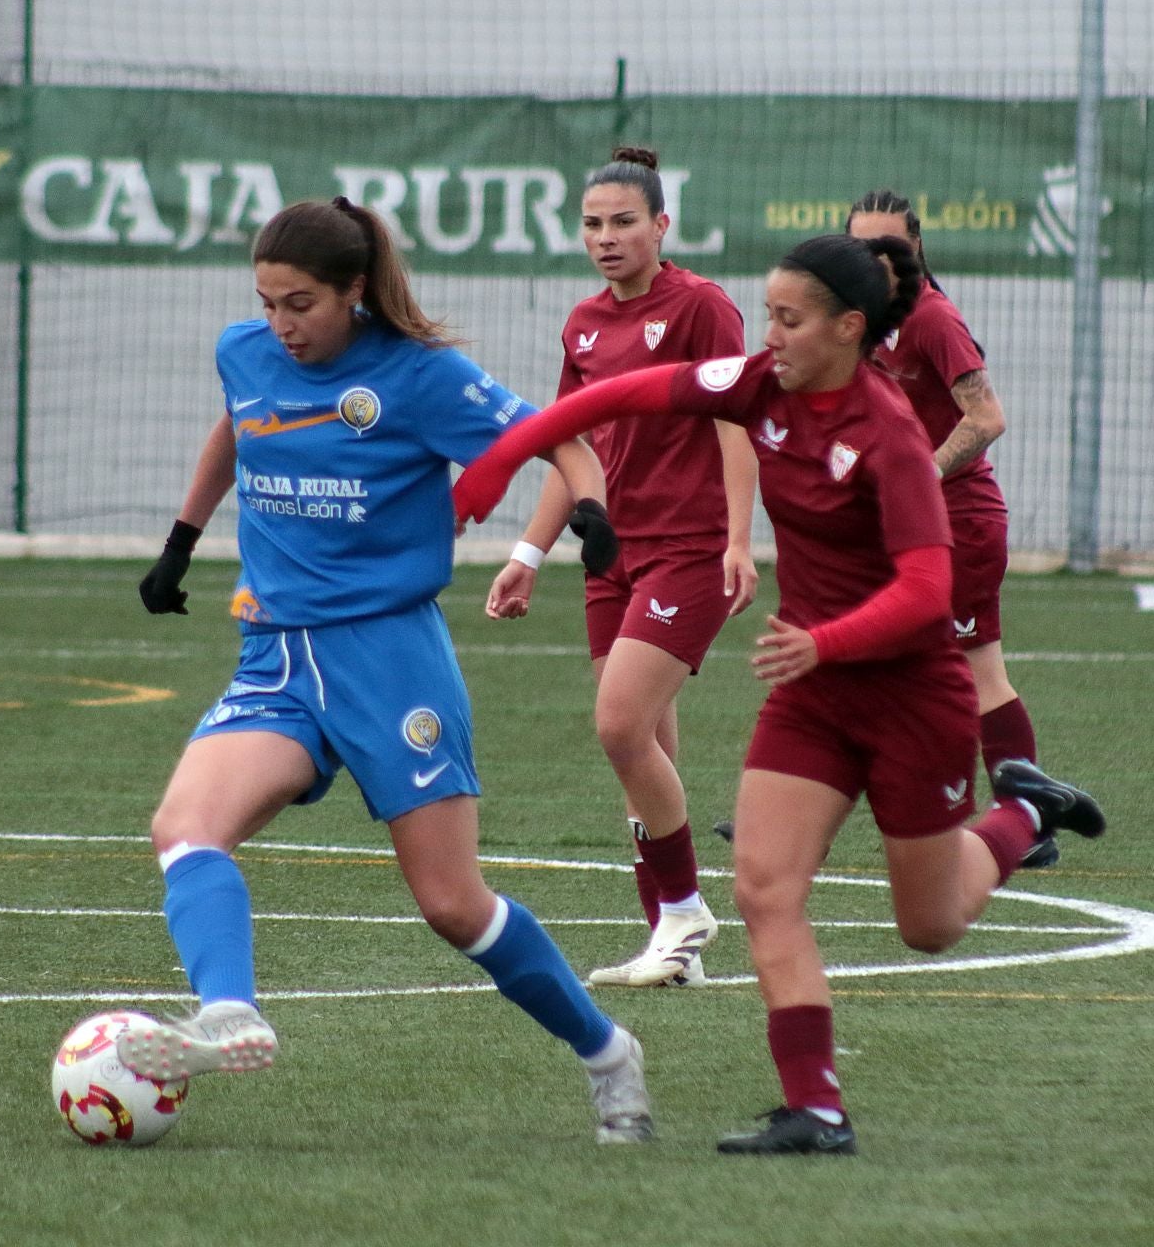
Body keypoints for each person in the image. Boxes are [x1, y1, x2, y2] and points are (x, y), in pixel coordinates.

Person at [454, 233, 1104, 1155]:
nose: (770, 334)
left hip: (912, 697)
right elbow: (622, 395)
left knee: (931, 925)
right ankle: (817, 1111)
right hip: (813, 696)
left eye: (788, 319)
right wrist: (501, 460)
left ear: (847, 328)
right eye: (767, 314)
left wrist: (825, 640)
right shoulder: (761, 382)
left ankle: (1025, 816)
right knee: (764, 885)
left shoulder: (888, 437)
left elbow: (925, 589)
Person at [120, 196, 653, 1144]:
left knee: (453, 906)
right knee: (184, 826)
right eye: (268, 302)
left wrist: (589, 510)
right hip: (276, 656)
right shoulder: (247, 352)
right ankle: (230, 1012)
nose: (280, 326)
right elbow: (236, 428)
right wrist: (179, 541)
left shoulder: (419, 376)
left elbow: (560, 438)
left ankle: (608, 1053)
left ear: (354, 292)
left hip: (389, 662)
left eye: (301, 305)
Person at [484, 147, 756, 988]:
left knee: (617, 724)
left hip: (687, 551)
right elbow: (571, 446)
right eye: (593, 224)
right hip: (613, 558)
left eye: (624, 222)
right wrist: (528, 553)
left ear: (661, 225)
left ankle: (685, 913)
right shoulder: (584, 323)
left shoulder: (701, 307)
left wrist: (741, 540)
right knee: (641, 751)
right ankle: (670, 951)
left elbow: (736, 423)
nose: (606, 237)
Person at [846, 188, 1061, 867]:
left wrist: (918, 478)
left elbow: (987, 418)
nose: (879, 261)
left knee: (972, 674)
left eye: (894, 249)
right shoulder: (861, 321)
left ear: (917, 251)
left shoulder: (931, 317)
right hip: (909, 527)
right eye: (864, 249)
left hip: (958, 524)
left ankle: (1028, 821)